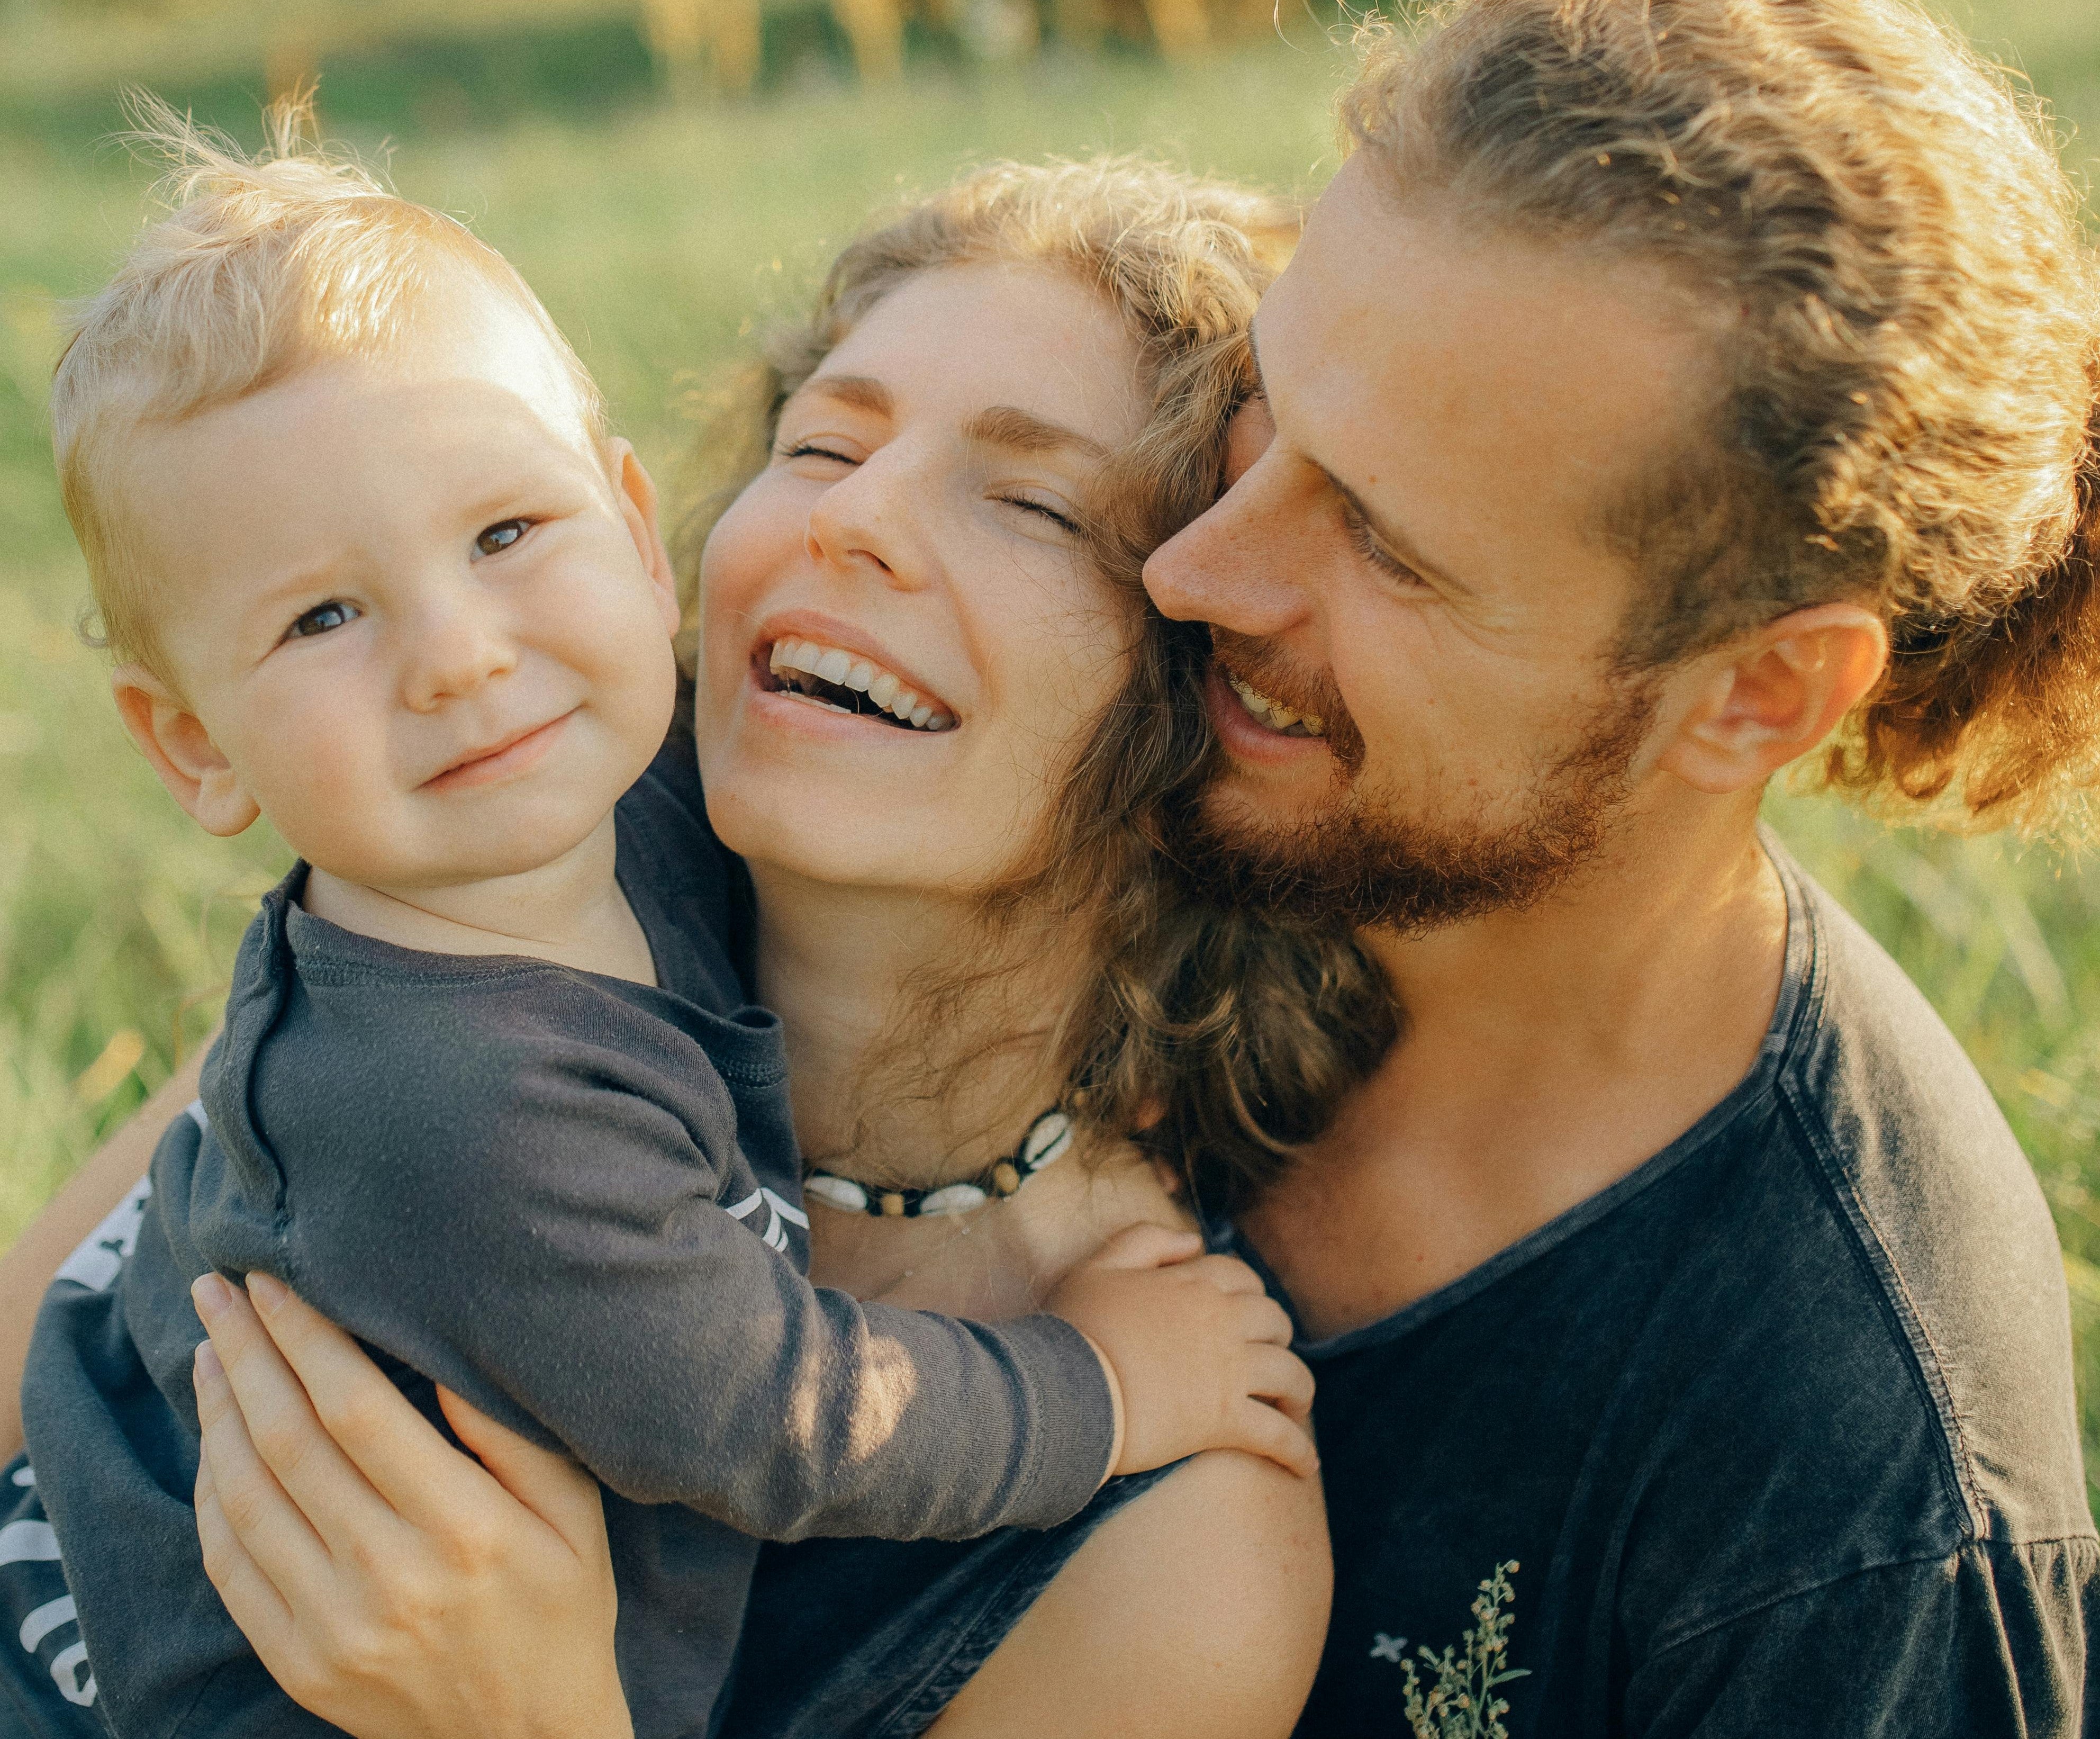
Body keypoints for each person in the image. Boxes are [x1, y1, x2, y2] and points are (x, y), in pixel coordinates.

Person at [12, 0, 2100, 1731]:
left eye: (1370, 530)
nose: (1216, 566)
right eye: (819, 443)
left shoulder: (1857, 1483)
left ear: (1745, 697)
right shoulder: (553, 884)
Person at [1, 114, 1338, 1738]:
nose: (848, 521)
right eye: (824, 446)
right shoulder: (454, 962)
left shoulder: (1181, 1548)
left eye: (1036, 505)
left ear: (1209, 700)